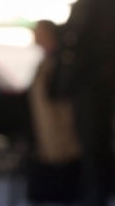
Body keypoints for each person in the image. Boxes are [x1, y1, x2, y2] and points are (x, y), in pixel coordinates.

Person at [51, 0, 115, 206]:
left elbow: (103, 30)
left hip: (95, 79)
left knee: (95, 146)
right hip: (89, 78)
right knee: (90, 146)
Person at [27, 19, 82, 205]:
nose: (35, 36)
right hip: (48, 132)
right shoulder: (48, 63)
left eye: (39, 32)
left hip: (63, 136)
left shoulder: (62, 62)